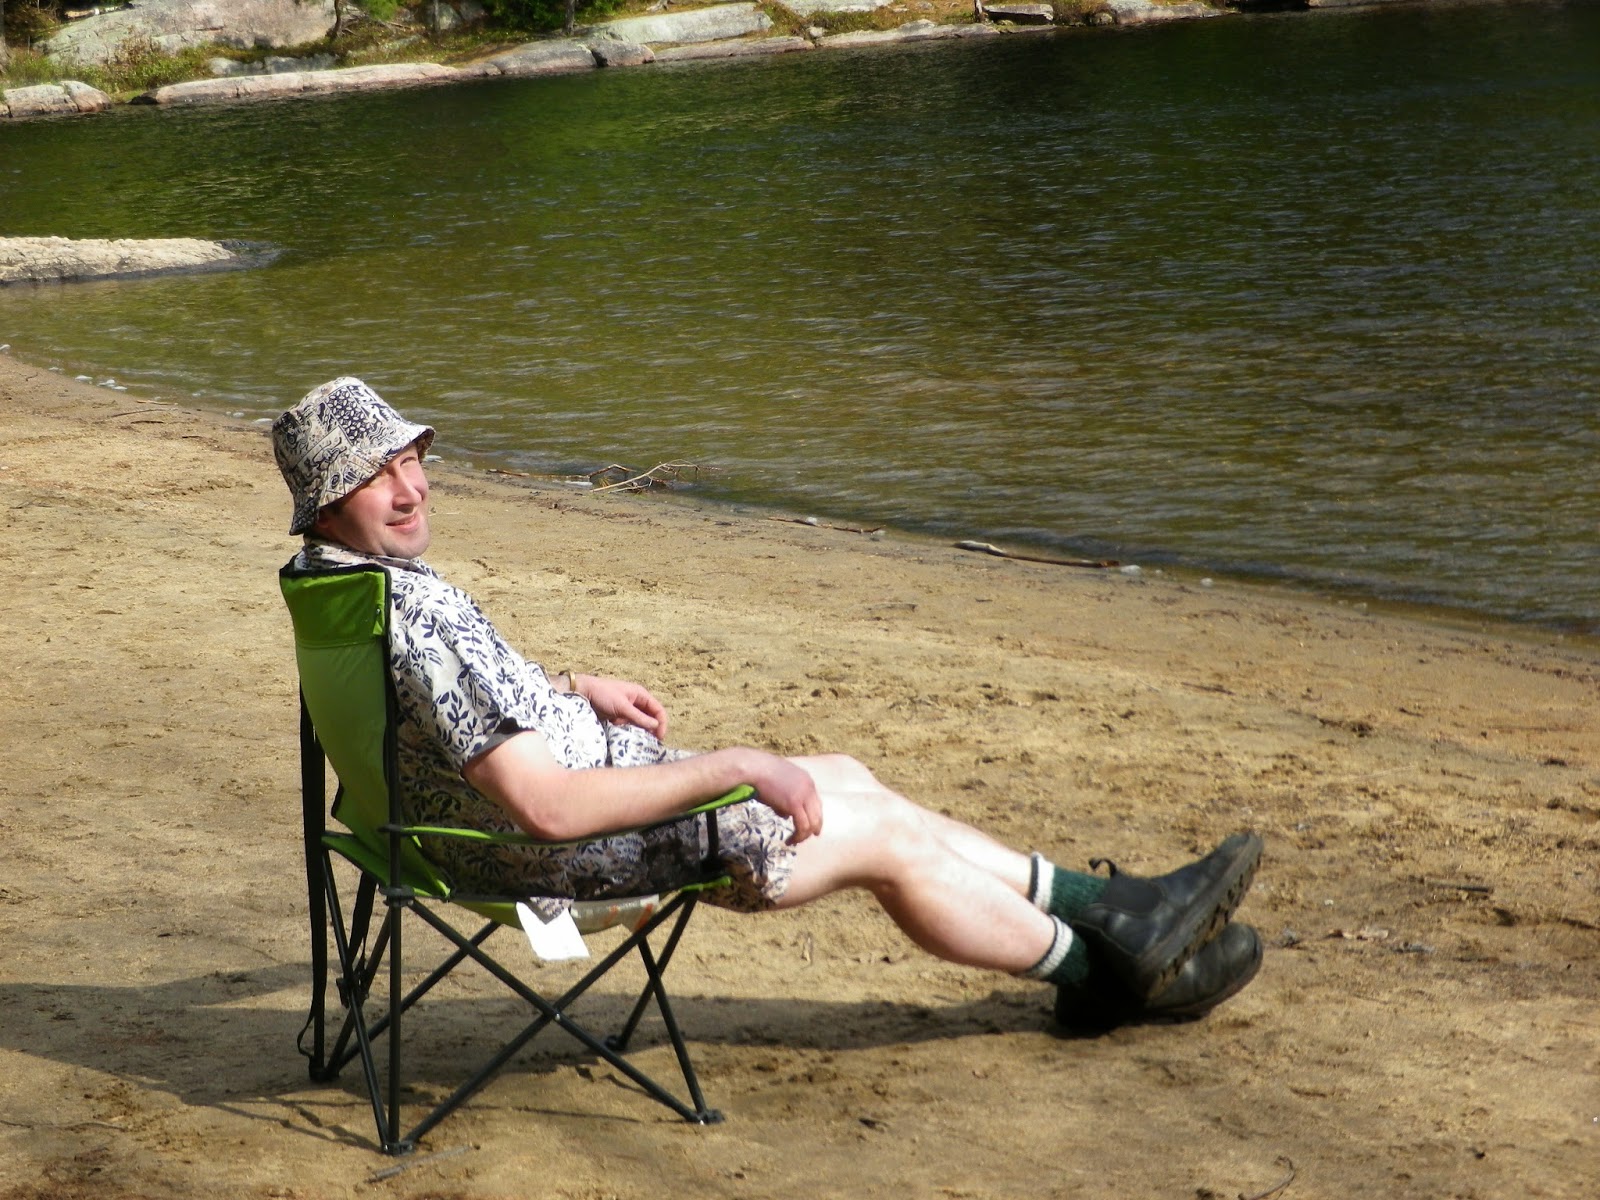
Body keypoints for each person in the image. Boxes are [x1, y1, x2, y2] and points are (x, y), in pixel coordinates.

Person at [273, 376, 1265, 1031]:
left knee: (849, 777)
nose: (410, 487)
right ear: (327, 503)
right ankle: (1099, 977)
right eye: (377, 476)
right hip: (560, 853)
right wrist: (739, 766)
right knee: (881, 836)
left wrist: (568, 689)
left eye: (410, 460)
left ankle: (1112, 910)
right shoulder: (416, 617)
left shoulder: (335, 586)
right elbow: (549, 807)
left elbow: (437, 716)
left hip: (447, 836)